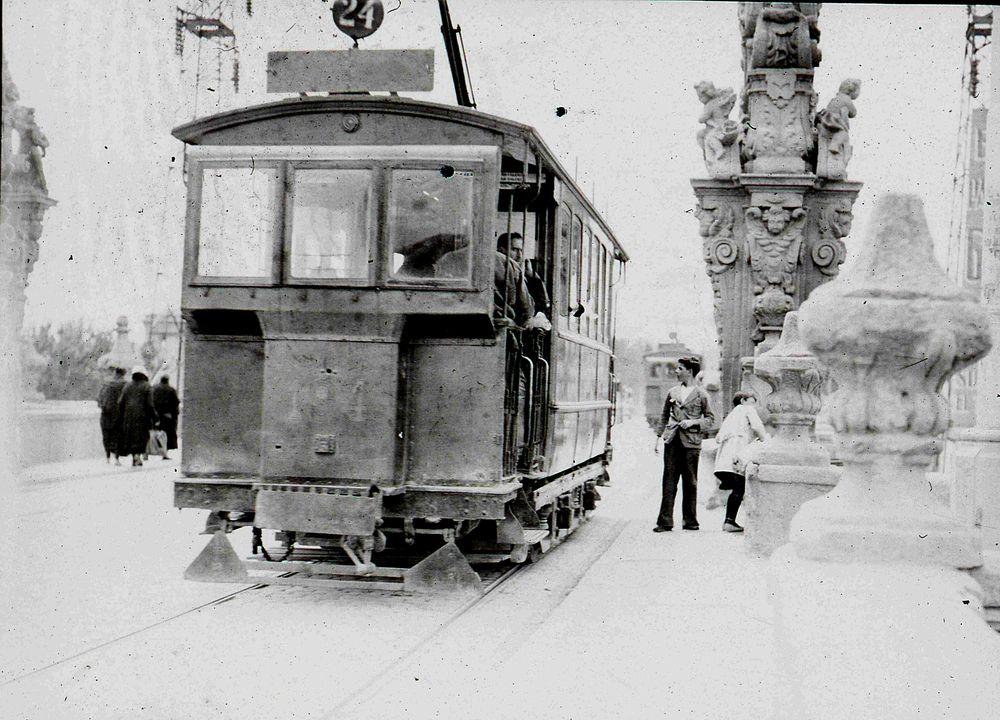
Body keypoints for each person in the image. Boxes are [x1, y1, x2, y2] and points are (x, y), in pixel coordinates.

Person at [653, 356, 716, 532]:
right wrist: (658, 437)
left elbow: (710, 419)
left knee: (691, 482)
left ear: (689, 371)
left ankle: (690, 521)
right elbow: (664, 416)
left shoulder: (702, 394)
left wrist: (694, 423)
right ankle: (665, 522)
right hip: (672, 440)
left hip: (691, 443)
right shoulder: (672, 392)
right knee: (669, 481)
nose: (676, 371)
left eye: (680, 368)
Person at [713, 390, 770, 533]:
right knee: (741, 487)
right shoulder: (747, 409)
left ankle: (730, 521)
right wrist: (766, 442)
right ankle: (730, 521)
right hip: (737, 454)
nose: (754, 405)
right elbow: (757, 427)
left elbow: (718, 437)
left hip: (723, 459)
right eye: (752, 401)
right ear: (743, 401)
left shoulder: (732, 415)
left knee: (739, 487)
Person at [117, 366, 157, 467]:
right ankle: (138, 456)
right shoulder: (147, 386)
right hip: (143, 417)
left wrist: (122, 415)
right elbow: (150, 405)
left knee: (131, 437)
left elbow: (120, 402)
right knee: (142, 437)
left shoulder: (127, 386)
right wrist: (155, 417)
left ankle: (135, 456)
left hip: (129, 417)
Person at [97, 366, 126, 464]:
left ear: (115, 373)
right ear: (123, 374)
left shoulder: (106, 384)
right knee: (117, 436)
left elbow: (98, 400)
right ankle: (117, 458)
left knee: (106, 436)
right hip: (118, 415)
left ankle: (107, 457)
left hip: (105, 414)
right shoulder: (124, 385)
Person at [152, 375, 180, 460]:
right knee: (166, 435)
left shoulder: (154, 389)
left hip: (156, 415)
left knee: (155, 434)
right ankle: (165, 453)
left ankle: (150, 452)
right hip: (168, 416)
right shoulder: (171, 390)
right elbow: (176, 402)